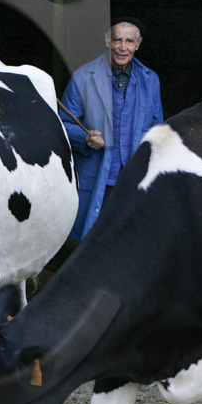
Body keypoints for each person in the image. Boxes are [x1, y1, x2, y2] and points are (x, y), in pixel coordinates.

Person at [59, 18, 164, 240]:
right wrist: (85, 138)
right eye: (117, 40)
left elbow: (158, 129)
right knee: (88, 239)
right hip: (96, 174)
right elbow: (63, 124)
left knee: (127, 240)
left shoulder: (150, 80)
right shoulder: (83, 77)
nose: (122, 47)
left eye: (129, 41)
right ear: (108, 40)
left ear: (138, 44)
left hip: (132, 177)